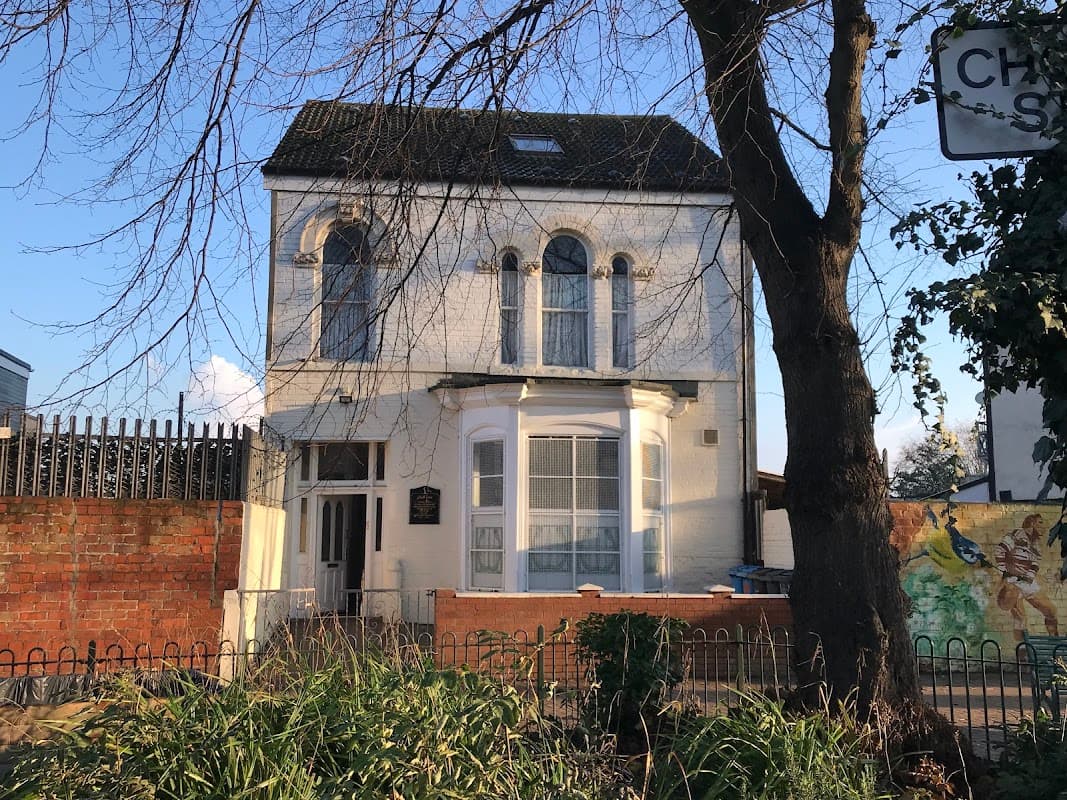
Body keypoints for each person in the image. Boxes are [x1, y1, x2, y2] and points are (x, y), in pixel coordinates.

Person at [995, 513, 1059, 640]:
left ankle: (1055, 645)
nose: (1044, 527)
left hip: (1026, 581)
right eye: (1040, 523)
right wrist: (1004, 573)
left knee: (1051, 611)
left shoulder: (1035, 543)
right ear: (1032, 523)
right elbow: (1000, 551)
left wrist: (1029, 577)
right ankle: (1023, 656)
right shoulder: (1016, 536)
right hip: (1013, 582)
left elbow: (1035, 563)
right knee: (1020, 619)